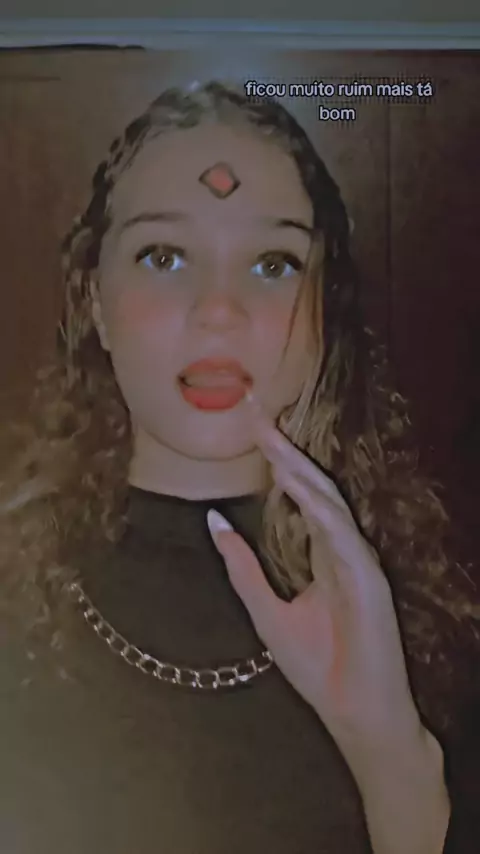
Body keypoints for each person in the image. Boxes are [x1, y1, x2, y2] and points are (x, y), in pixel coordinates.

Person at [0, 80, 479, 854]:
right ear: (94, 302)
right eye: (164, 256)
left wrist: (394, 760)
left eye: (273, 263)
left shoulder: (438, 636)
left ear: (325, 310)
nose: (219, 310)